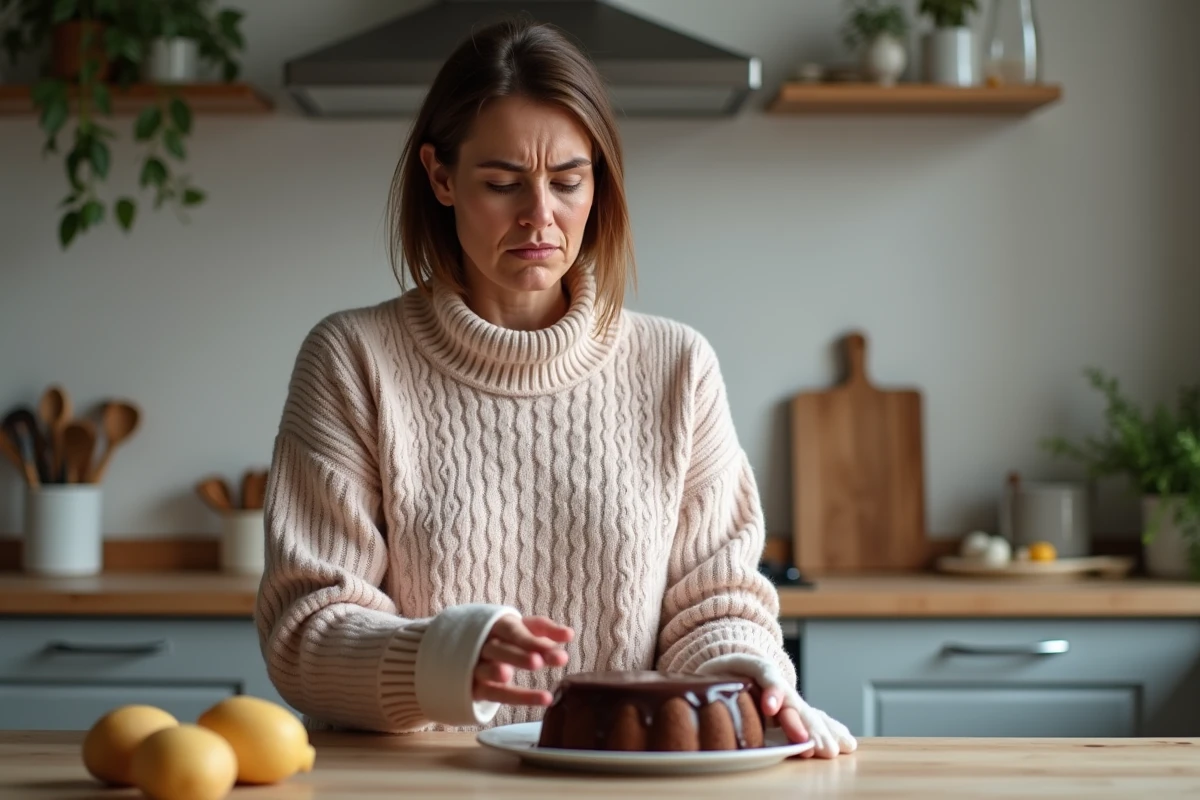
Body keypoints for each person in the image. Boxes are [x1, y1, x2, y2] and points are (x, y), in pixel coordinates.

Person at [255, 17, 856, 760]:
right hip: (418, 783)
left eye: (568, 182)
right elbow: (304, 630)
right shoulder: (353, 359)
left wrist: (742, 675)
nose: (540, 215)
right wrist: (444, 658)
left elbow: (717, 599)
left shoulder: (677, 367)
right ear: (440, 177)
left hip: (624, 779)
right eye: (502, 183)